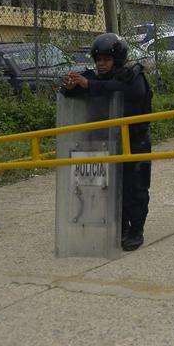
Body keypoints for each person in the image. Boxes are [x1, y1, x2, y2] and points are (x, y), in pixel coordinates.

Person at [62, 33, 153, 252]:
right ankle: (119, 227)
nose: (101, 64)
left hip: (134, 142)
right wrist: (71, 85)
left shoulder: (133, 76)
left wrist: (90, 85)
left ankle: (135, 230)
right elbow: (68, 92)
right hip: (103, 143)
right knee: (108, 189)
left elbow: (134, 92)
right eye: (98, 59)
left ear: (118, 59)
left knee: (135, 189)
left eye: (106, 59)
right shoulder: (93, 77)